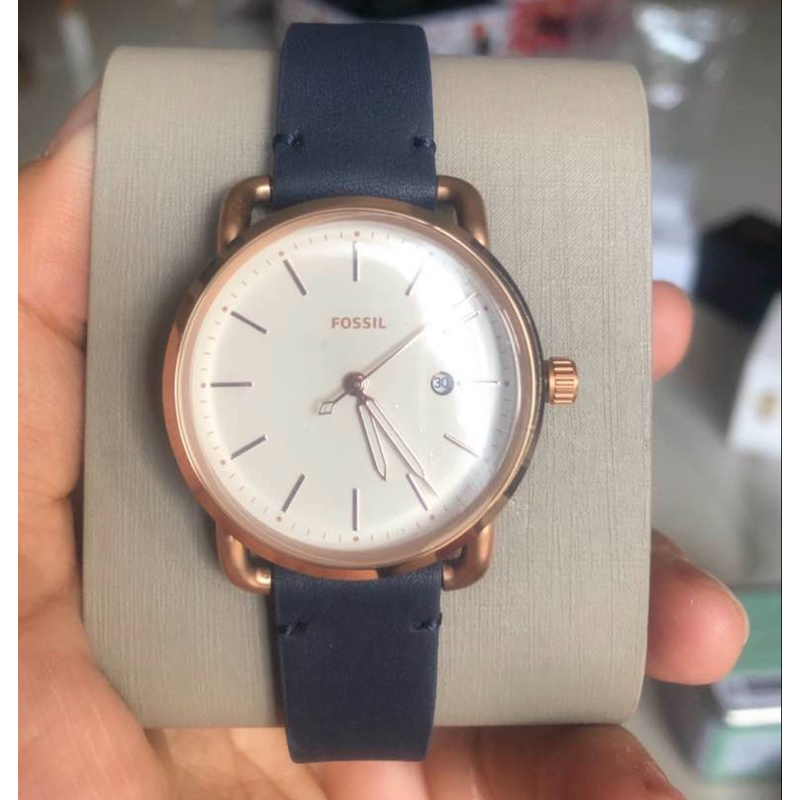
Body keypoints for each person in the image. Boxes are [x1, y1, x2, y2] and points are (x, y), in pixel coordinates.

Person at [19, 92, 747, 800]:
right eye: (355, 380)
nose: (356, 381)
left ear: (547, 381)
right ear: (560, 380)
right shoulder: (264, 550)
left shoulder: (453, 542)